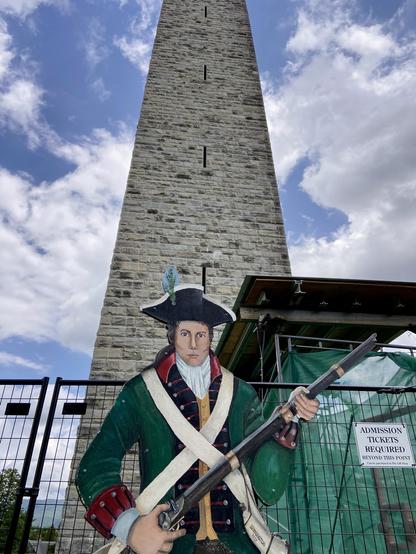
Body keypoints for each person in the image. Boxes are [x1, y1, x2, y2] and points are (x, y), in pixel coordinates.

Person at [76, 282, 319, 554]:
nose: (193, 344)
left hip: (238, 543)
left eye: (201, 334)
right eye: (185, 333)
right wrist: (130, 527)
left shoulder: (240, 394)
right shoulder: (141, 393)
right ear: (172, 335)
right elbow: (95, 466)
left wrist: (286, 422)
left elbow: (268, 489)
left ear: (210, 337)